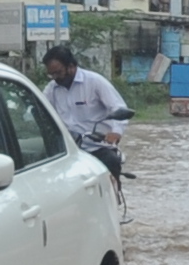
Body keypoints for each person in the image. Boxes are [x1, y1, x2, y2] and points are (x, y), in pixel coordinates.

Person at [40, 43, 126, 174]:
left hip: (98, 147)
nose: (55, 78)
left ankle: (115, 190)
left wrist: (116, 132)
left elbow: (118, 107)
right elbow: (40, 109)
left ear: (71, 66)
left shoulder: (95, 81)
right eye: (51, 74)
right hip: (69, 150)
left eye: (58, 72)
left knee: (111, 164)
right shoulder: (52, 89)